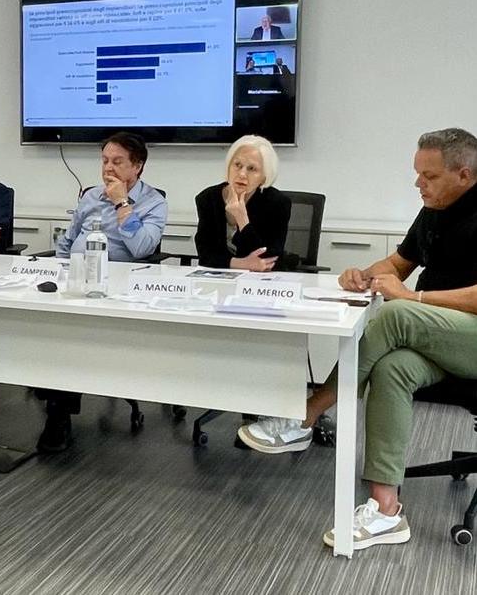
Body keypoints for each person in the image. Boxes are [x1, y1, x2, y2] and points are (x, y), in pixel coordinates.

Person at [238, 128, 477, 550]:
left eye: (429, 176)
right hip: (441, 333)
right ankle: (386, 510)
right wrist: (363, 275)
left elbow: (420, 297)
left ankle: (307, 414)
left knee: (397, 313)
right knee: (391, 368)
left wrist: (413, 297)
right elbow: (400, 263)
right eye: (417, 173)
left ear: (464, 175)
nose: (418, 183)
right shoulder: (435, 208)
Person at [40, 132, 167, 452]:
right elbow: (68, 240)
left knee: (71, 336)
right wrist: (61, 271)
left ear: (137, 166)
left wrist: (122, 203)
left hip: (120, 289)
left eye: (118, 162)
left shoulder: (154, 202)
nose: (108, 168)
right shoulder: (90, 196)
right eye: (105, 160)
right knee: (53, 327)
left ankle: (58, 412)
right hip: (76, 283)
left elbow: (142, 248)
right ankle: (56, 406)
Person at [194, 135, 290, 272]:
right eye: (237, 165)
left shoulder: (277, 203)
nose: (242, 174)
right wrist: (242, 264)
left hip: (262, 280)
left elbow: (268, 259)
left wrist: (242, 220)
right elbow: (205, 255)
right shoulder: (208, 199)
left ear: (264, 177)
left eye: (252, 169)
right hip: (218, 278)